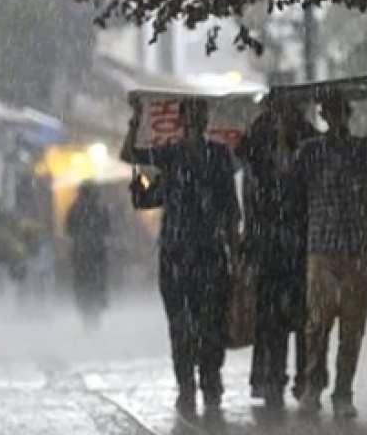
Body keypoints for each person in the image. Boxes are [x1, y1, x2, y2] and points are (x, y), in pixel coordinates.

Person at [121, 98, 241, 414]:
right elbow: (130, 156)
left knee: (211, 324)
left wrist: (235, 245)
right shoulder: (171, 156)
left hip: (209, 253)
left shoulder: (218, 156)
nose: (196, 119)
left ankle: (210, 381)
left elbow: (230, 207)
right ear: (184, 120)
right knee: (181, 325)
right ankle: (187, 384)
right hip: (177, 254)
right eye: (192, 114)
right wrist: (135, 120)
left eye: (200, 114)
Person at [294, 87, 367, 419]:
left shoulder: (363, 149)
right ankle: (314, 385)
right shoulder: (310, 151)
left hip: (355, 249)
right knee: (317, 324)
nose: (335, 116)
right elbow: (287, 179)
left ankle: (343, 391)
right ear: (324, 115)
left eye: (340, 110)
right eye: (329, 111)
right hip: (322, 250)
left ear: (347, 114)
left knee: (352, 328)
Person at [237, 97, 320, 408]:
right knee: (270, 316)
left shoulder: (307, 137)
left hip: (298, 241)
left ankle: (304, 379)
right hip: (270, 242)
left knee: (301, 316)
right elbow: (250, 181)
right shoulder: (259, 136)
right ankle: (271, 378)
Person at [66, 181, 111, 328]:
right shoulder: (100, 208)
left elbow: (69, 229)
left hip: (81, 254)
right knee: (97, 284)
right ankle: (95, 315)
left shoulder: (75, 208)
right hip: (97, 253)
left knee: (83, 285)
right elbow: (108, 228)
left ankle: (86, 315)